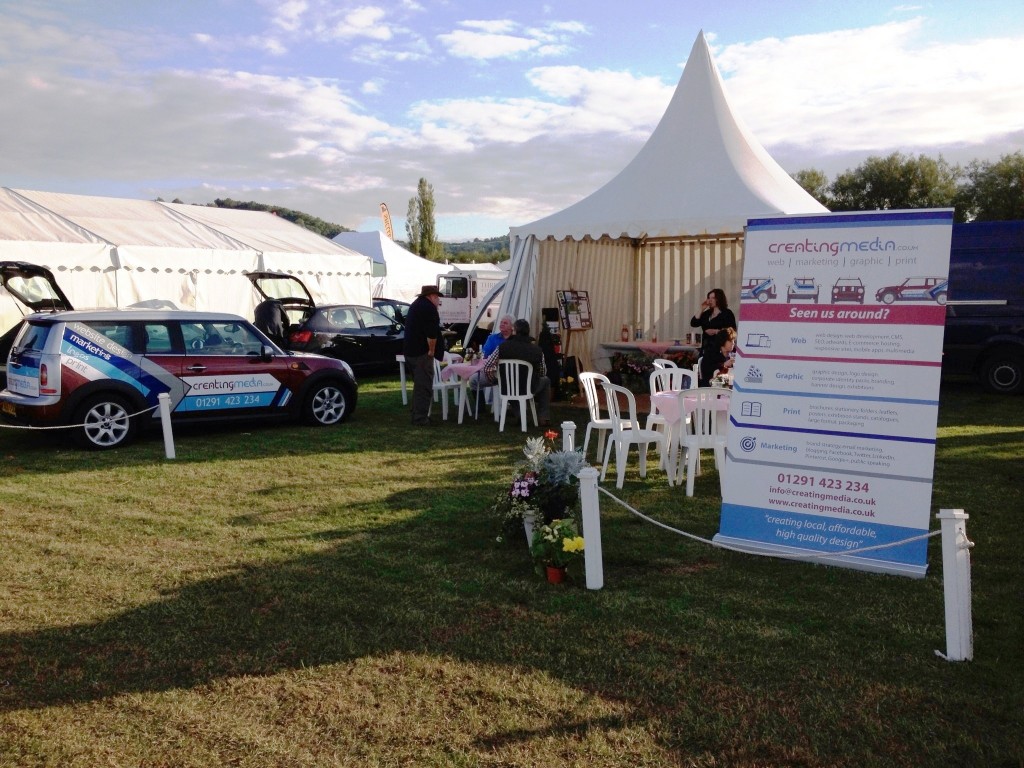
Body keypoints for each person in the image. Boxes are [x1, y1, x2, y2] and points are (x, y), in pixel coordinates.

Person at [490, 318, 552, 427]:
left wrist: (494, 379)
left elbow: (488, 366)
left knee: (511, 384)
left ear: (514, 331)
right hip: (529, 387)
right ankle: (543, 417)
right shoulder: (537, 350)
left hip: (507, 387)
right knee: (545, 380)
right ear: (528, 331)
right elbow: (543, 371)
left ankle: (519, 414)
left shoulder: (502, 347)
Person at [402, 285, 444, 425]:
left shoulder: (416, 305)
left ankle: (416, 413)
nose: (438, 301)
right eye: (437, 297)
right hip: (421, 353)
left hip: (410, 351)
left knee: (418, 385)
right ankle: (420, 418)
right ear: (432, 296)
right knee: (424, 386)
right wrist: (431, 351)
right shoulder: (429, 308)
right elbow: (431, 334)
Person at [690, 288, 736, 353]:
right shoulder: (707, 313)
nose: (710, 300)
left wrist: (716, 331)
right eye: (709, 298)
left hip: (720, 349)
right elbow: (693, 323)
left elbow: (732, 331)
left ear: (719, 299)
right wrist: (702, 309)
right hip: (706, 348)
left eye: (713, 298)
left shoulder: (727, 313)